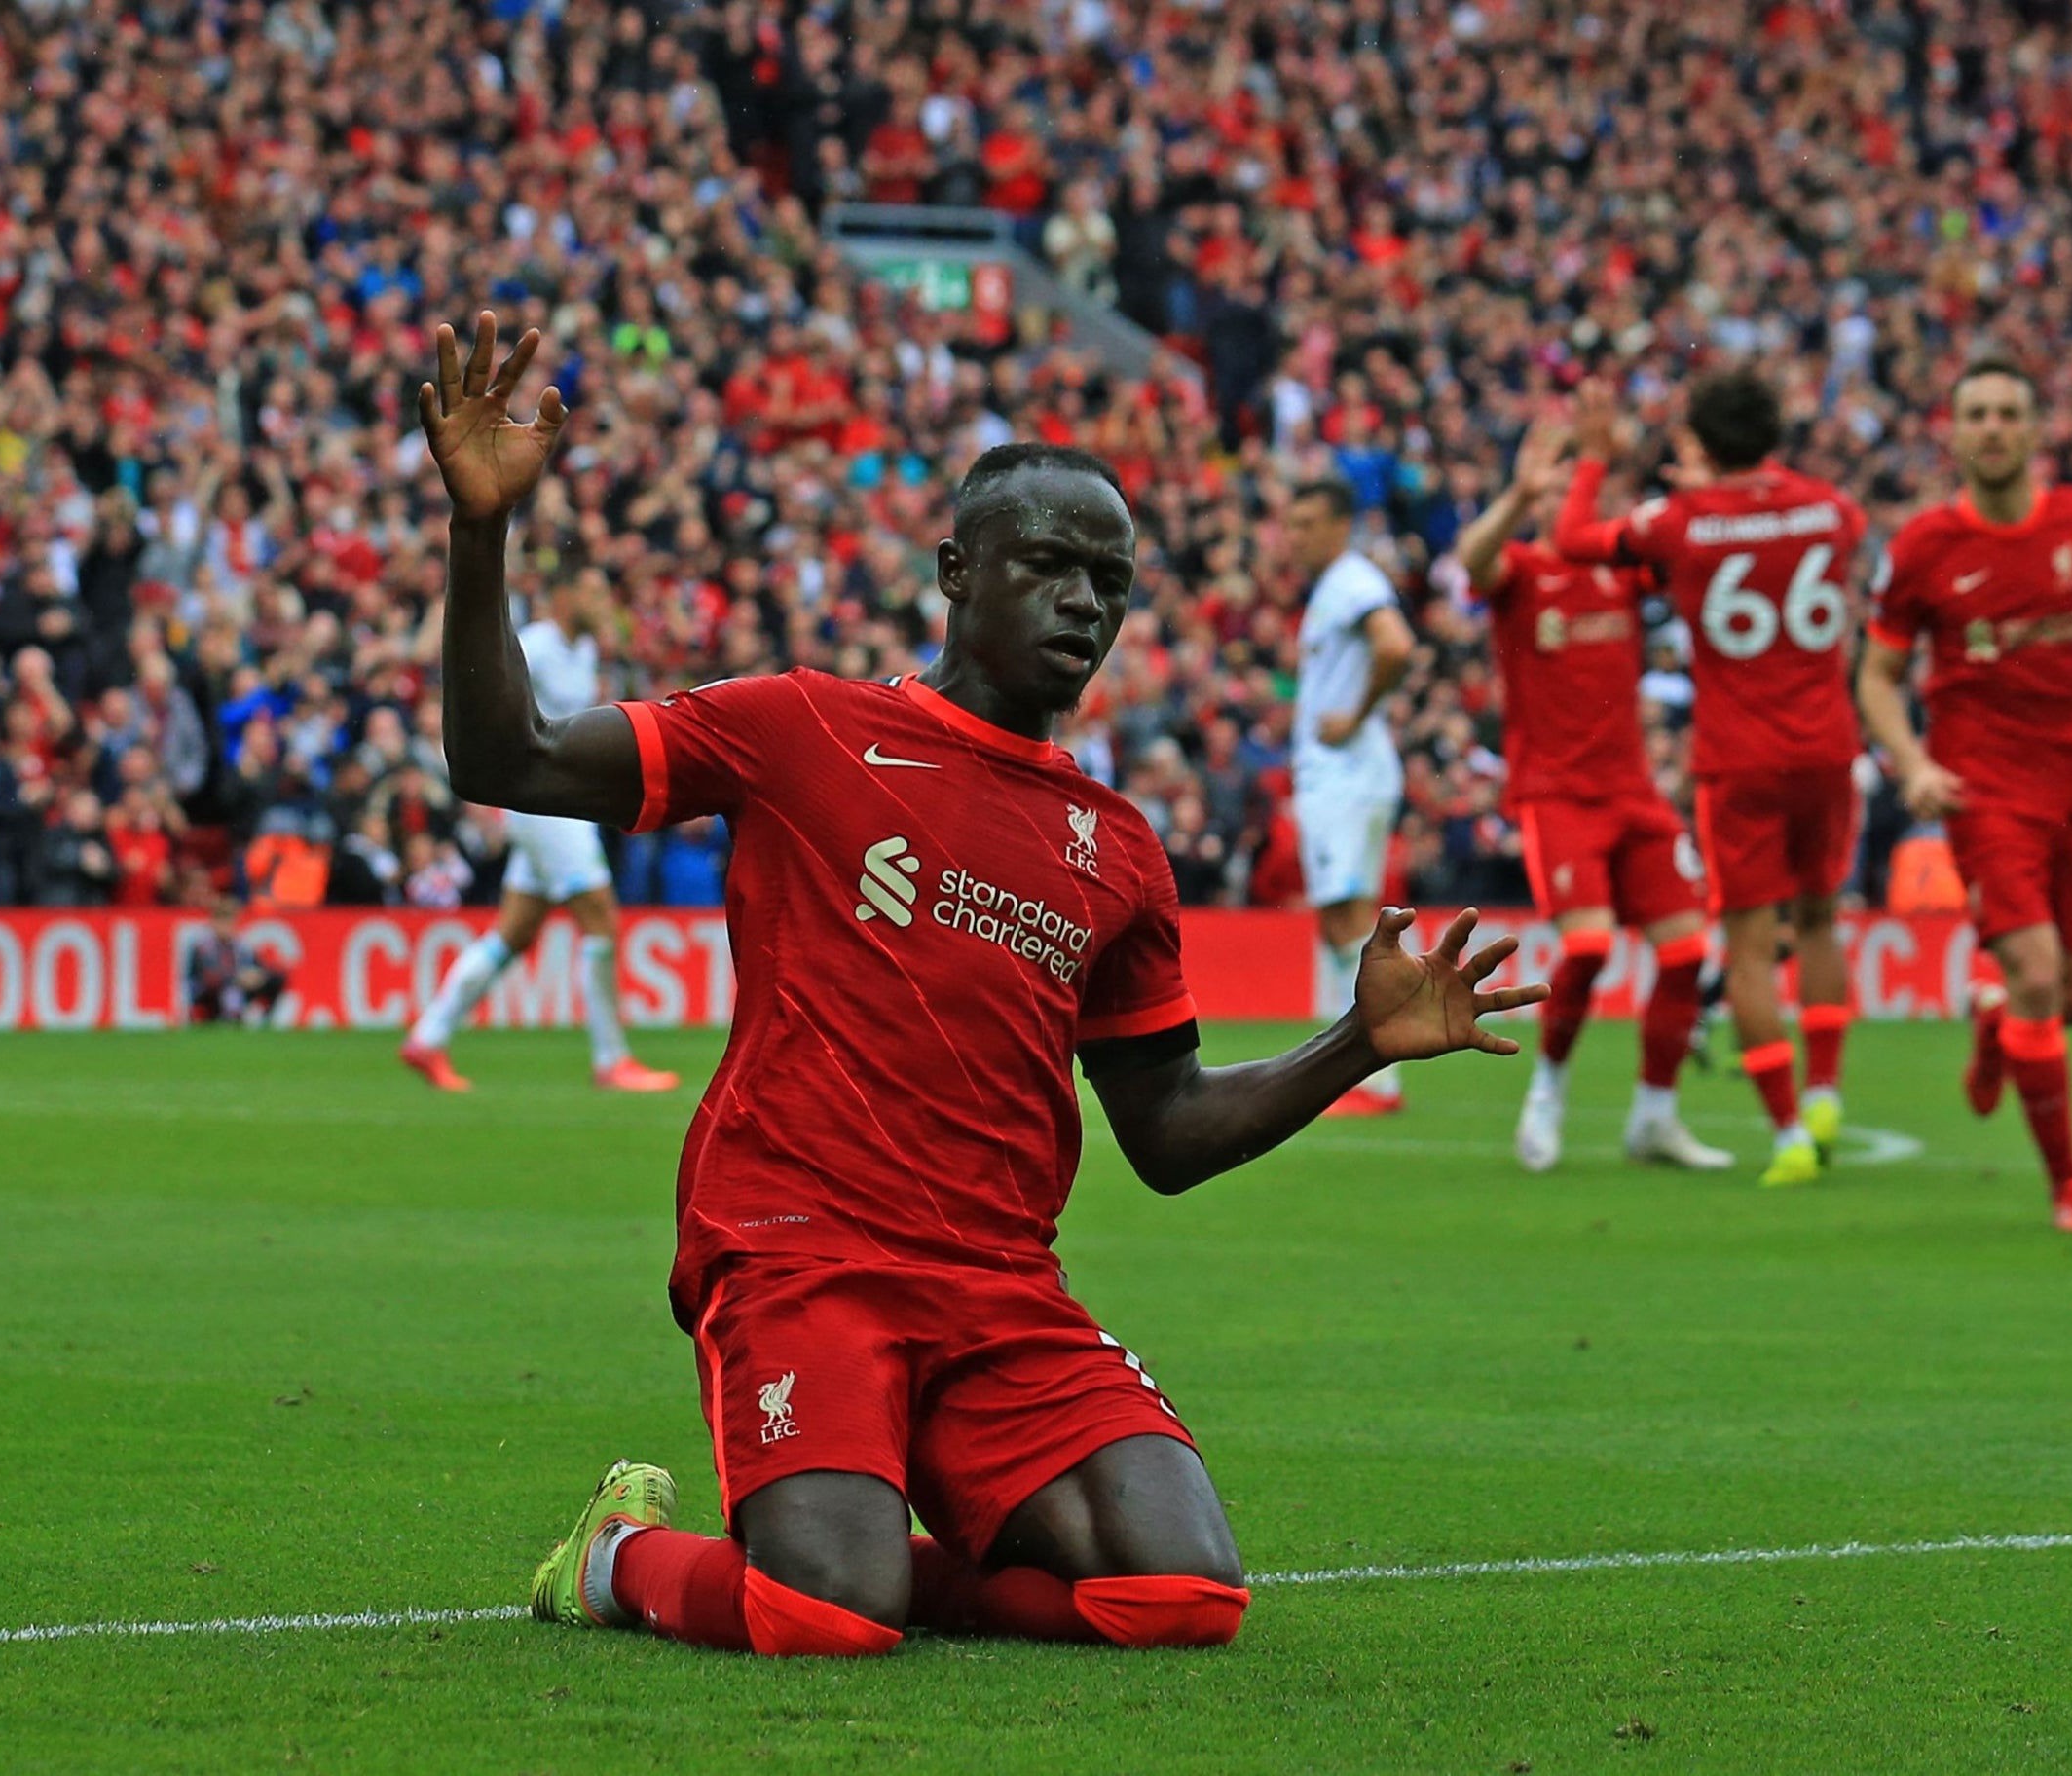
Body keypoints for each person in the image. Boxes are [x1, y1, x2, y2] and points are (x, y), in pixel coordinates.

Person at [419, 313, 1547, 1658]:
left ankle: (873, 1552)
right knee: (818, 1618)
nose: (1085, 603)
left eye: (1109, 581)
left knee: (1179, 1598)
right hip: (799, 1243)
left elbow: (1168, 1133)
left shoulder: (1117, 847)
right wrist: (480, 532)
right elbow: (511, 758)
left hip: (998, 1282)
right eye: (1049, 566)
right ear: (958, 571)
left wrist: (1352, 1045)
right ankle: (618, 1559)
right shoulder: (803, 727)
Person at [1553, 372, 1865, 1190]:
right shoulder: (1835, 509)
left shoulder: (1681, 522)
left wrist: (1593, 458)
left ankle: (1792, 1132)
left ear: (1699, 442)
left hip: (1740, 759)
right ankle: (1828, 1089)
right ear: (1775, 431)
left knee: (1751, 949)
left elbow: (1574, 535)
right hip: (1829, 746)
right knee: (1824, 916)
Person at [1855, 356, 2072, 1234]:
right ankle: (2071, 1187)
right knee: (2042, 971)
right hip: (1984, 791)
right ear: (1954, 432)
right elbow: (1879, 675)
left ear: (2038, 429)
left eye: (2010, 411)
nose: (1995, 427)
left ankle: (1997, 1016)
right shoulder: (1925, 547)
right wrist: (1914, 764)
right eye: (1979, 413)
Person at [1453, 416, 1730, 1173]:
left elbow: (1697, 557)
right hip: (1558, 795)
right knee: (1590, 944)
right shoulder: (1519, 571)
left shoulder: (1624, 570)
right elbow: (1470, 561)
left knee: (1686, 952)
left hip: (1633, 791)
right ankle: (1547, 1091)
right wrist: (1514, 497)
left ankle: (1655, 1116)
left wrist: (1707, 495)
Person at [399, 566, 676, 1093]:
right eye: (593, 590)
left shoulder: (586, 651)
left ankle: (427, 1038)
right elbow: (479, 701)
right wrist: (476, 786)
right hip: (544, 807)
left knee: (516, 931)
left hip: (561, 805)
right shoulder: (539, 646)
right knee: (601, 920)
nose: (603, 601)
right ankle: (611, 1059)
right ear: (564, 597)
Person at [1282, 471, 1416, 1117]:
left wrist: (1358, 715)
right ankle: (1364, 1071)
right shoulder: (1334, 589)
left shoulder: (1353, 582)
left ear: (1340, 525)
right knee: (1343, 919)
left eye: (1307, 524)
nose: (1295, 536)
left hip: (1348, 773)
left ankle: (1371, 1076)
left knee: (1351, 920)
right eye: (1292, 524)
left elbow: (1396, 645)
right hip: (1340, 776)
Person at [186, 899, 289, 1025]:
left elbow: (257, 965)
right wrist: (238, 978)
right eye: (222, 921)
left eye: (229, 921)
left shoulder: (240, 944)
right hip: (209, 994)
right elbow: (207, 977)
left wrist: (257, 975)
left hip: (239, 986)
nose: (226, 926)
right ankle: (226, 1017)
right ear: (213, 921)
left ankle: (266, 1020)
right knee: (226, 989)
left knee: (275, 978)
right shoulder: (202, 946)